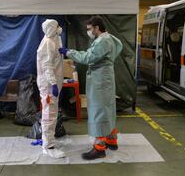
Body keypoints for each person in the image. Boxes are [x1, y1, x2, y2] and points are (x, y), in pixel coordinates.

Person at [59, 16, 122, 160]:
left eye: (89, 29)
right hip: (105, 79)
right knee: (107, 110)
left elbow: (88, 58)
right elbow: (118, 48)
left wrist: (69, 52)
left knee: (98, 111)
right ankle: (112, 141)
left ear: (97, 28)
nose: (88, 31)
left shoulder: (103, 41)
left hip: (100, 81)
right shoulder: (110, 38)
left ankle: (99, 148)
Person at [37, 19, 66, 158]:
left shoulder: (54, 40)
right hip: (49, 85)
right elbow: (47, 66)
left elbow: (54, 61)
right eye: (57, 26)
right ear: (52, 29)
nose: (59, 28)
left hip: (52, 84)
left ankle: (48, 140)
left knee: (51, 114)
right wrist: (54, 83)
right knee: (49, 115)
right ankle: (48, 146)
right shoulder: (48, 43)